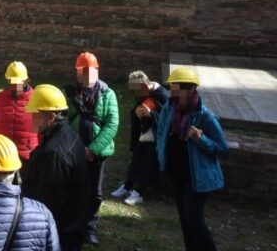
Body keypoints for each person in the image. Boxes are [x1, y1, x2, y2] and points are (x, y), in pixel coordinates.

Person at [156, 66, 228, 251]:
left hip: (196, 176)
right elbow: (161, 132)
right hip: (175, 171)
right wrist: (160, 155)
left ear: (190, 89)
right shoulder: (169, 108)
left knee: (194, 219)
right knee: (184, 219)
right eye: (171, 87)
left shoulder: (206, 117)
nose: (172, 92)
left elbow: (222, 147)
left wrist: (201, 139)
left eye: (176, 88)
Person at [23, 84, 89, 251]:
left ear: (51, 117)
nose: (30, 118)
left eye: (34, 114)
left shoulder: (54, 154)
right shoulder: (69, 134)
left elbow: (48, 204)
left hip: (59, 235)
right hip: (70, 229)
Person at [64, 51, 118, 247]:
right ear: (77, 72)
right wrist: (76, 148)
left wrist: (93, 149)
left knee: (95, 192)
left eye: (90, 70)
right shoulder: (69, 93)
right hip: (75, 151)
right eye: (82, 71)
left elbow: (111, 124)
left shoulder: (108, 94)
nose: (86, 75)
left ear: (96, 71)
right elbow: (64, 120)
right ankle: (73, 223)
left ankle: (90, 228)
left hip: (97, 154)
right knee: (74, 189)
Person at [111, 70, 168, 205]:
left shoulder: (162, 95)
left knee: (149, 162)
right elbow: (137, 108)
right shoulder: (142, 94)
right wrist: (137, 112)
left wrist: (151, 114)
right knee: (136, 159)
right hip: (143, 134)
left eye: (137, 90)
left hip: (156, 137)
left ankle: (139, 192)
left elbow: (167, 118)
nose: (136, 94)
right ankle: (127, 186)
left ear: (145, 86)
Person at [0, 61, 39, 166]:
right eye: (12, 82)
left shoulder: (36, 98)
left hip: (28, 154)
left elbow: (41, 128)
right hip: (5, 153)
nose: (15, 86)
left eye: (18, 82)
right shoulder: (0, 98)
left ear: (26, 80)